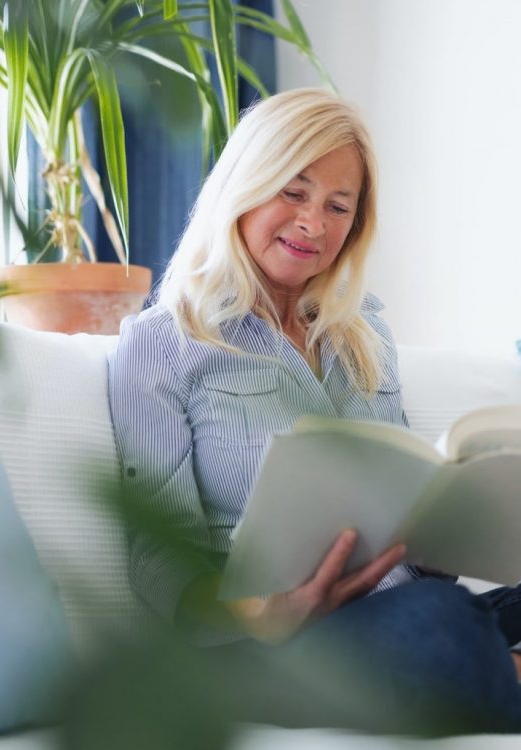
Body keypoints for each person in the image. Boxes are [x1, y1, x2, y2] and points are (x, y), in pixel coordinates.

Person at [108, 88, 521, 734]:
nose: (313, 224)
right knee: (443, 624)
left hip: (404, 610)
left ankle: (488, 668)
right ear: (245, 185)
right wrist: (260, 612)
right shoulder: (161, 345)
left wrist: (452, 523)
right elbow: (159, 567)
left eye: (337, 207)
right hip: (275, 646)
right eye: (293, 192)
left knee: (441, 611)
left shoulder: (365, 335)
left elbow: (409, 497)